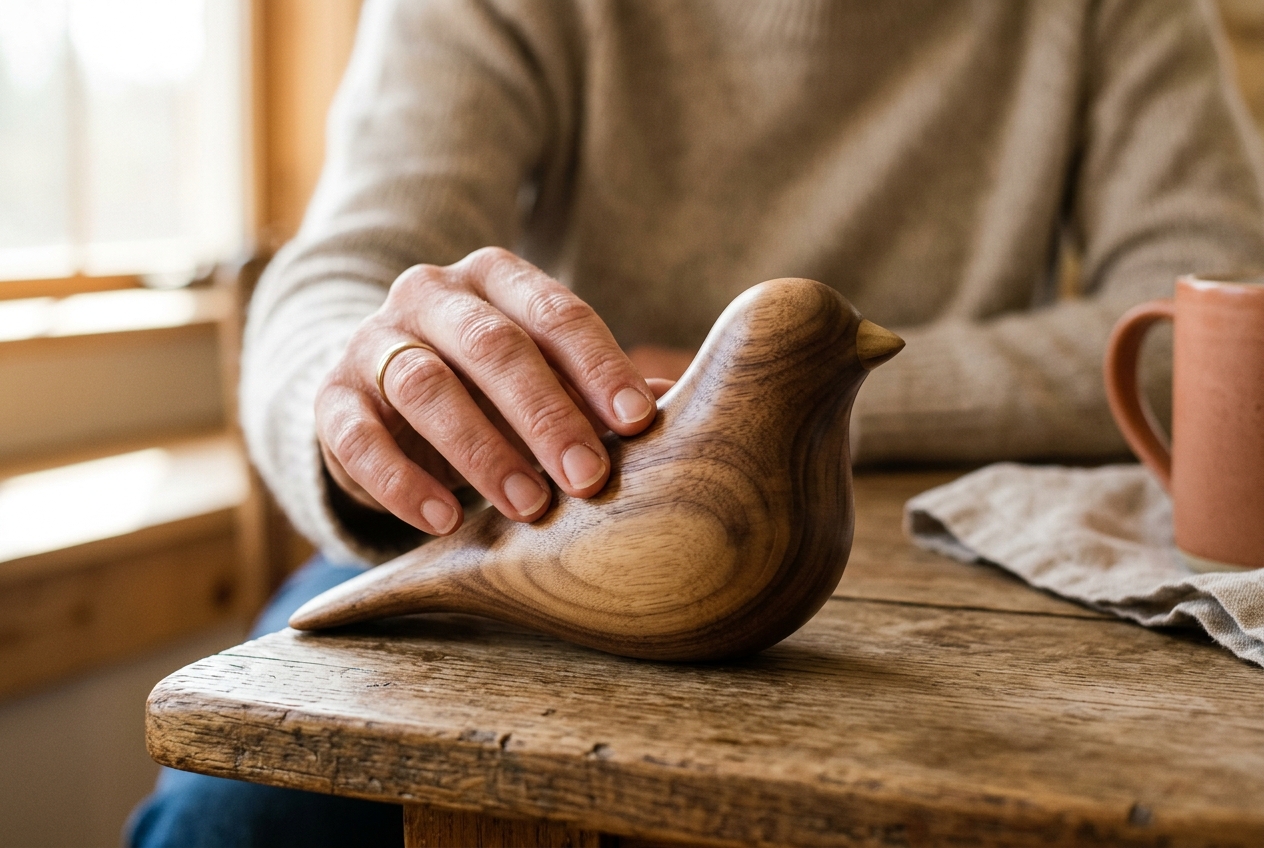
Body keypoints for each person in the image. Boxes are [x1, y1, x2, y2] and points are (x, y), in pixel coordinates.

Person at [129, 0, 1264, 845]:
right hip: (493, 518)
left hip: (935, 557)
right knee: (234, 820)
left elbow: (1215, 317)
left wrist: (787, 400)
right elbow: (341, 273)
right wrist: (360, 398)